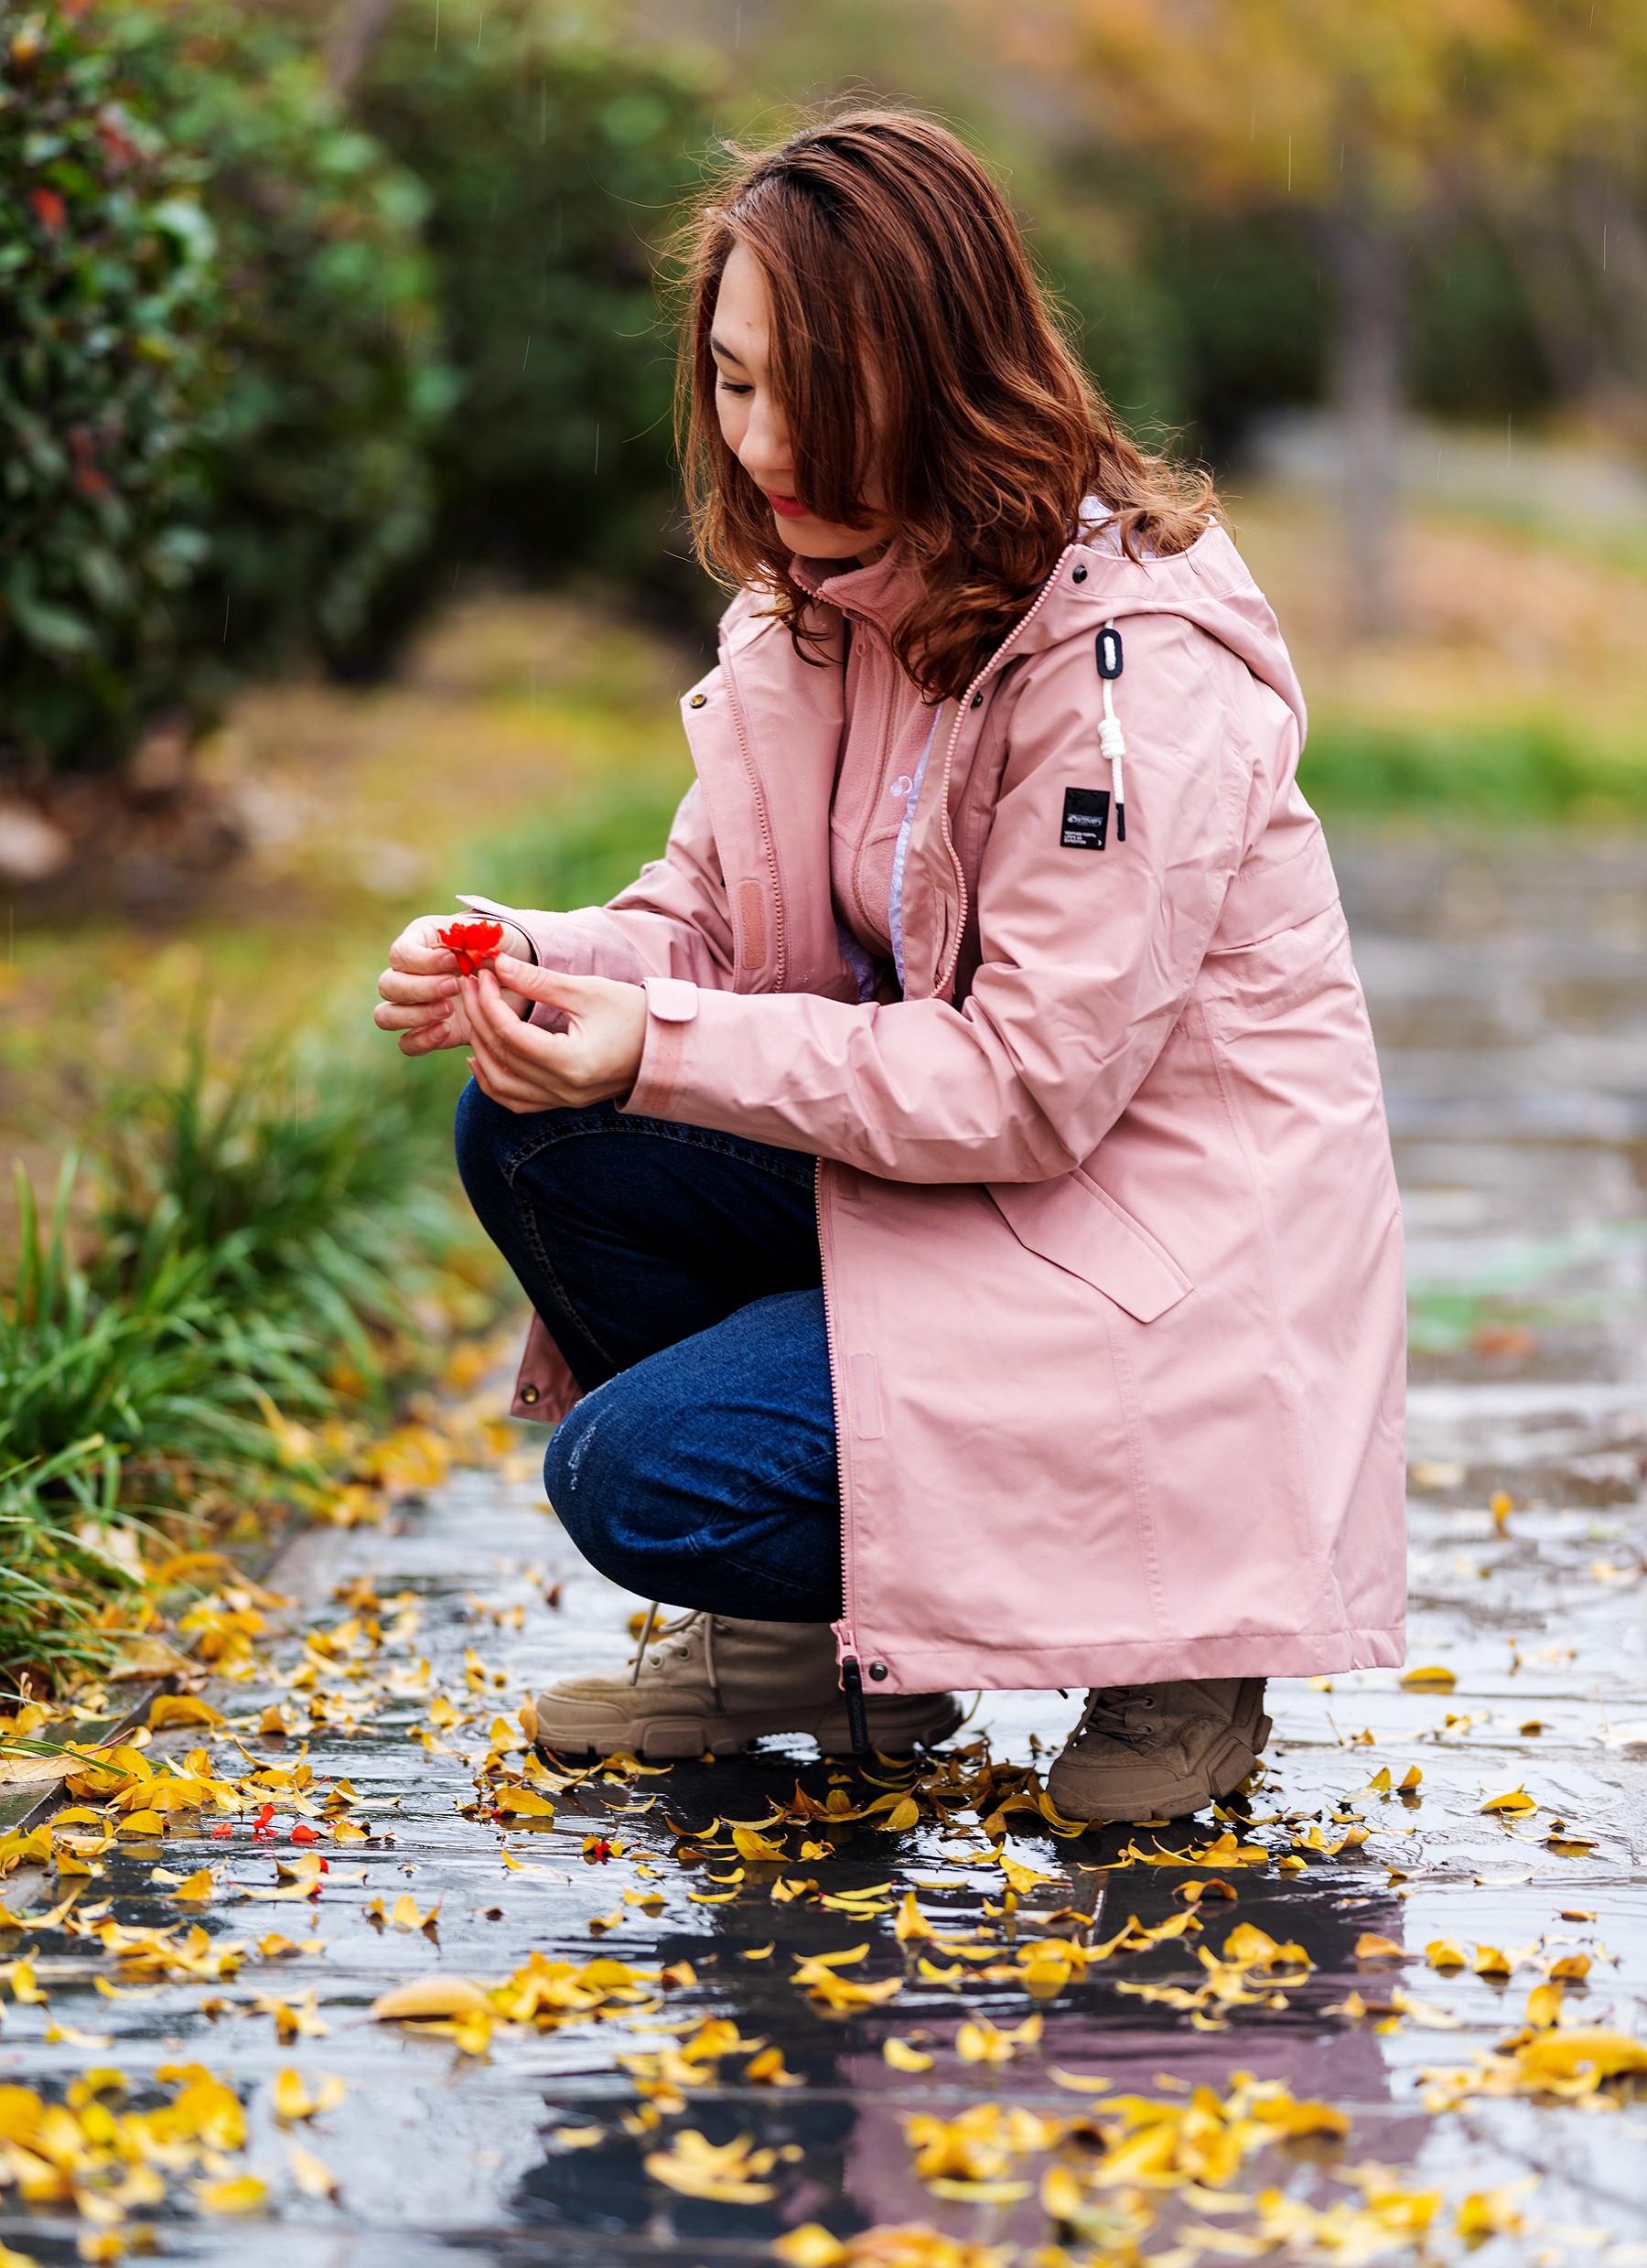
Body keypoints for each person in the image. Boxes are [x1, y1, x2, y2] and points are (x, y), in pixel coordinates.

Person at [374, 111, 1406, 1826]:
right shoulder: (825, 610)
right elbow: (706, 919)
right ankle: (835, 1652)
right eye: (731, 382)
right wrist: (532, 963)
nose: (764, 444)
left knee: (635, 1471)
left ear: (945, 379)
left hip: (1153, 1272)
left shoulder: (1129, 681)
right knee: (532, 1124)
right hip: (969, 1204)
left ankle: (1182, 1639)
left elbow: (1023, 1083)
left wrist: (657, 1045)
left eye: (811, 393)